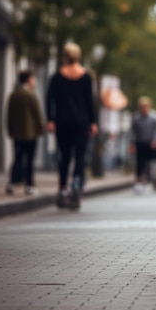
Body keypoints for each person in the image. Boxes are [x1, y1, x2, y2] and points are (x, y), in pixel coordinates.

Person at [46, 42, 98, 210]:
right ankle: (75, 186)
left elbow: (49, 100)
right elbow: (91, 102)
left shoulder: (57, 76)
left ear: (65, 55)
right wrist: (93, 122)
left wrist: (50, 119)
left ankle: (62, 189)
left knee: (65, 155)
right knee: (80, 156)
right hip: (81, 122)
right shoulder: (86, 76)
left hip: (62, 122)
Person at [5, 69, 45, 196]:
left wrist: (10, 130)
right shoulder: (31, 95)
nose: (34, 81)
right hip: (30, 134)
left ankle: (11, 183)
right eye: (33, 78)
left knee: (17, 158)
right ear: (28, 79)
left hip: (17, 133)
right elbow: (37, 115)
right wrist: (41, 129)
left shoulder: (14, 95)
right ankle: (29, 185)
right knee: (29, 160)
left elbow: (9, 115)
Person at [129, 96, 156, 193]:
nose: (144, 108)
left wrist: (155, 140)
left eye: (146, 106)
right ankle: (139, 182)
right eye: (142, 106)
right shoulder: (136, 118)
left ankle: (155, 178)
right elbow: (132, 131)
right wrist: (132, 143)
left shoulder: (155, 116)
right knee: (139, 164)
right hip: (140, 143)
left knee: (154, 162)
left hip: (152, 143)